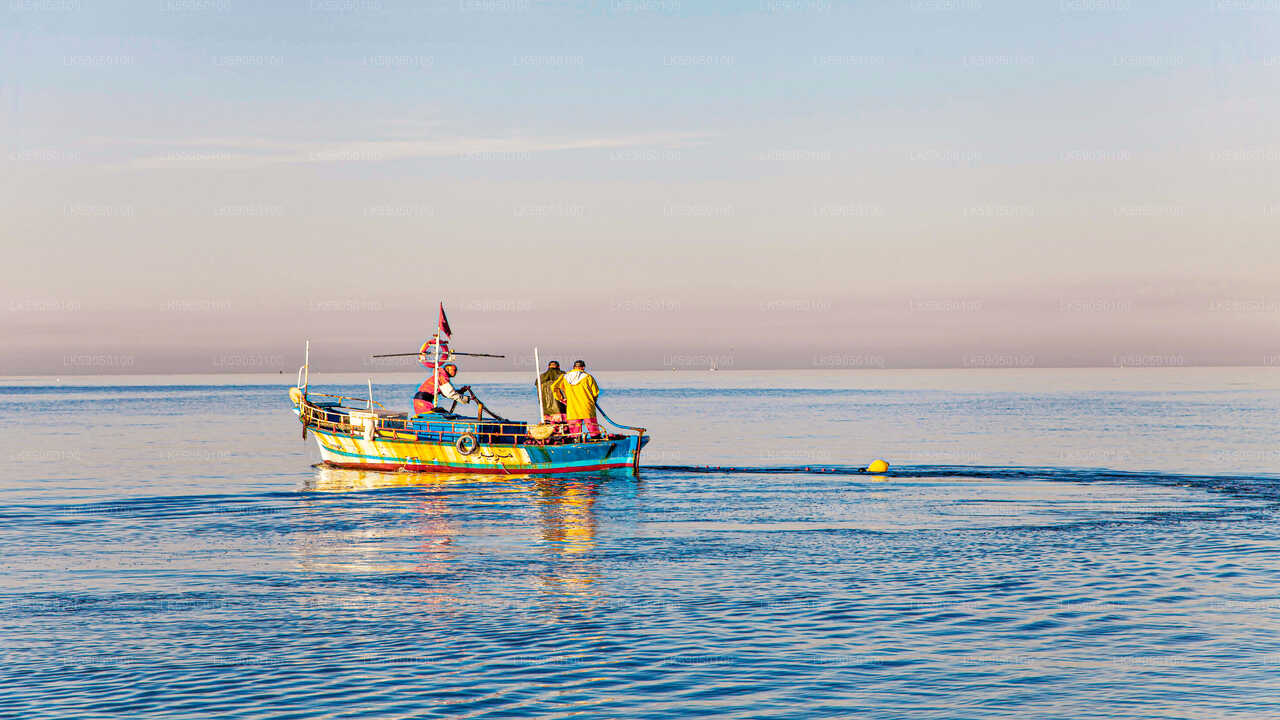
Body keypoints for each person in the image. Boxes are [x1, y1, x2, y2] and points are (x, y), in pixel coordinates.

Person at [552, 360, 601, 438]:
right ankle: (596, 439)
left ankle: (576, 441)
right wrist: (593, 401)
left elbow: (554, 387)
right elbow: (595, 392)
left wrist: (561, 398)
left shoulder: (564, 377)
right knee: (593, 429)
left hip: (572, 408)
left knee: (574, 433)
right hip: (587, 407)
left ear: (574, 367)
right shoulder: (588, 377)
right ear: (583, 367)